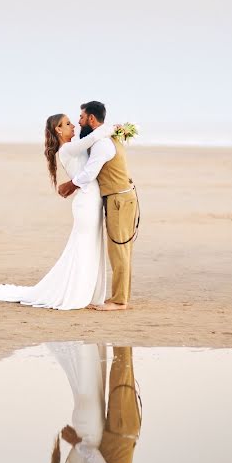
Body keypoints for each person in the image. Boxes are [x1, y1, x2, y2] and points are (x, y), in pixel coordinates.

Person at [0, 115, 112, 310]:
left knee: (89, 246)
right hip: (86, 203)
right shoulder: (68, 148)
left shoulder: (73, 147)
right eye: (67, 124)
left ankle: (86, 291)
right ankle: (78, 293)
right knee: (83, 247)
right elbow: (94, 138)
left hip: (91, 200)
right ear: (58, 130)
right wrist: (116, 128)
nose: (73, 125)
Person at [57, 101, 139, 311]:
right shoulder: (106, 137)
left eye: (82, 117)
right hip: (121, 197)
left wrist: (70, 185)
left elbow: (90, 173)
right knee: (122, 249)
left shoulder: (102, 143)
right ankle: (122, 296)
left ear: (91, 119)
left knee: (118, 250)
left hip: (118, 200)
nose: (79, 121)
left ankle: (120, 301)